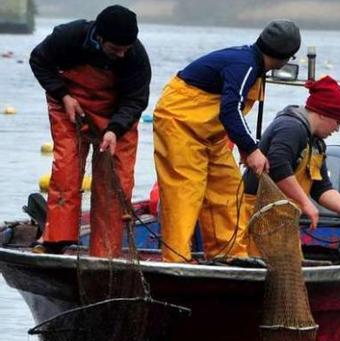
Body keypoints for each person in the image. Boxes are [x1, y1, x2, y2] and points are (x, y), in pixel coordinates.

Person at [153, 20, 300, 262]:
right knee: (185, 192)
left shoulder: (253, 65)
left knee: (229, 189)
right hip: (178, 123)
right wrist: (251, 148)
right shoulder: (245, 65)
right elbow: (230, 110)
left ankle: (229, 254)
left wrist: (244, 144)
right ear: (286, 57)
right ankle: (177, 259)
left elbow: (232, 113)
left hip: (210, 135)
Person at [29, 5, 150, 256]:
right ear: (99, 37)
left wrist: (114, 130)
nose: (121, 54)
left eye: (125, 49)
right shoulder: (68, 37)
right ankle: (55, 241)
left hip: (117, 114)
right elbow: (39, 61)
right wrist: (63, 95)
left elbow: (135, 100)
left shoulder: (136, 57)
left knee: (114, 183)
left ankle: (105, 252)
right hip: (70, 104)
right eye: (115, 49)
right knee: (67, 168)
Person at [242, 76, 340, 243]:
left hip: (280, 221)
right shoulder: (290, 127)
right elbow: (277, 166)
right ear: (323, 114)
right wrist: (305, 203)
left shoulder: (316, 144)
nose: (337, 129)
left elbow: (321, 188)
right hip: (254, 216)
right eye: (338, 121)